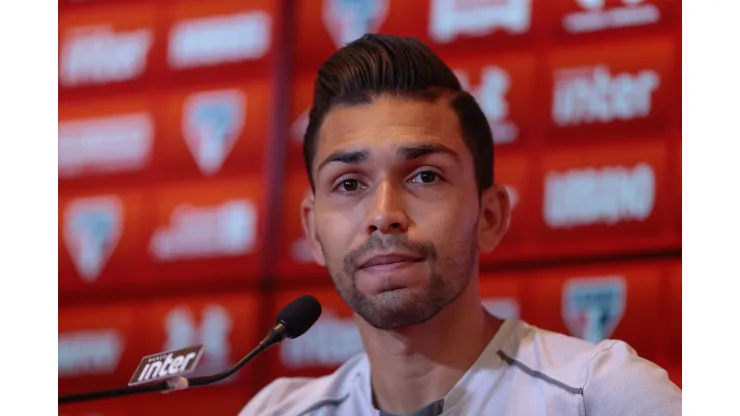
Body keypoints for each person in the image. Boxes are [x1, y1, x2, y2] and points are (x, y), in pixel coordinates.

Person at [239, 34, 681, 416]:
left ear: (489, 216)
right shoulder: (279, 410)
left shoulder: (599, 395)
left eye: (425, 176)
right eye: (350, 183)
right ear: (314, 231)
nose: (383, 213)